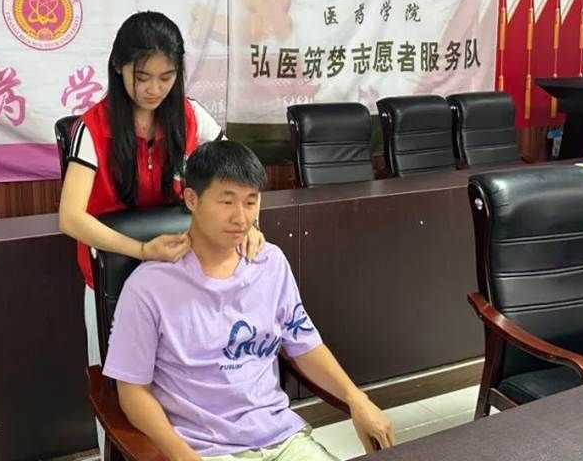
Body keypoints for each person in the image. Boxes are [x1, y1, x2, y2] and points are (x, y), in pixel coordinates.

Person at [103, 140, 394, 460]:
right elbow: (132, 391)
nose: (241, 218)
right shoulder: (148, 286)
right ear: (191, 199)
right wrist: (183, 456)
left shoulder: (270, 263)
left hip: (281, 438)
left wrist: (357, 399)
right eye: (227, 202)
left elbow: (304, 345)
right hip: (204, 449)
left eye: (251, 202)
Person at [58, 12, 266, 448]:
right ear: (119, 67)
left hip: (180, 269)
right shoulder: (92, 128)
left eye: (166, 77)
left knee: (184, 376)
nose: (154, 89)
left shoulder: (189, 116)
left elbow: (237, 173)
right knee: (120, 387)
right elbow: (70, 218)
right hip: (114, 271)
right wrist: (140, 250)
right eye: (142, 77)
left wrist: (250, 223)